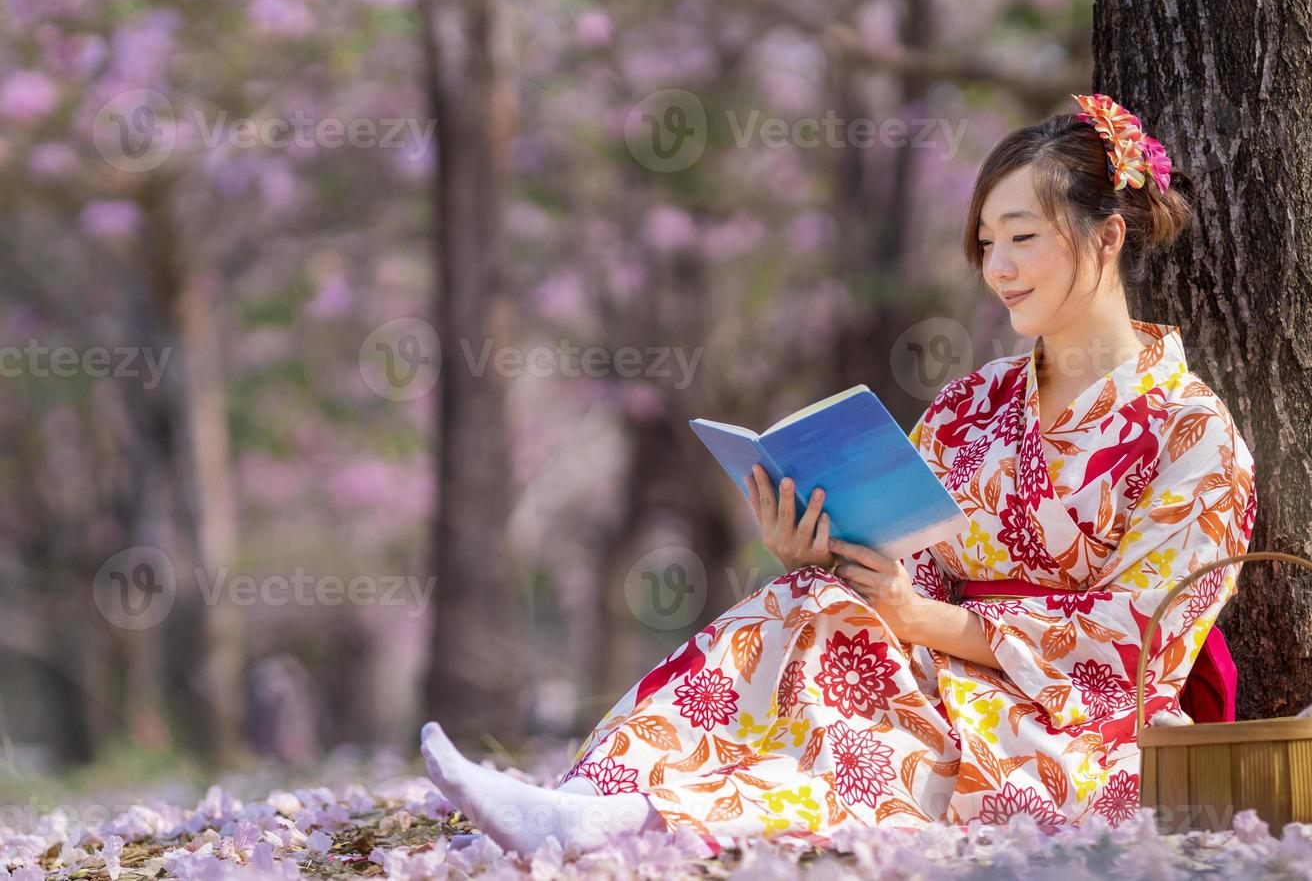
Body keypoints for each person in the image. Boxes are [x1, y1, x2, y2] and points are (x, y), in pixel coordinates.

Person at [420, 93, 1258, 857]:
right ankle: (592, 798)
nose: (998, 267)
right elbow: (912, 569)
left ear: (1107, 237)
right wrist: (832, 555)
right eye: (986, 243)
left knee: (864, 706)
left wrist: (914, 618)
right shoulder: (973, 404)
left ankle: (617, 820)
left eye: (1023, 238)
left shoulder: (1192, 432)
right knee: (806, 603)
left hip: (1081, 734)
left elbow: (1133, 646)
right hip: (937, 670)